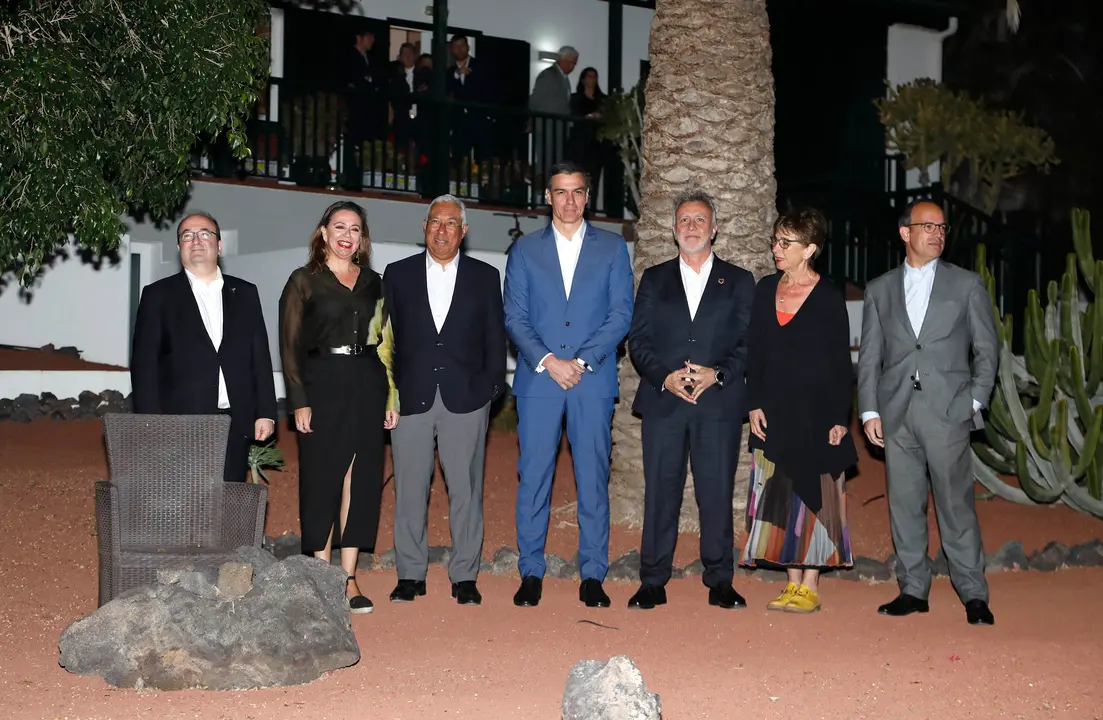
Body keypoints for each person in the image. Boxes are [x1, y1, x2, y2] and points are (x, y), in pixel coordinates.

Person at [857, 199, 998, 626]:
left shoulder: (966, 285)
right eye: (928, 226)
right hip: (896, 413)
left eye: (942, 228)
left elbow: (987, 350)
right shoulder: (880, 289)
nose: (938, 234)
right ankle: (913, 589)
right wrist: (868, 412)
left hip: (948, 413)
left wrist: (973, 401)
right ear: (905, 233)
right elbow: (869, 357)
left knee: (956, 505)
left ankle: (973, 593)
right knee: (904, 505)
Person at [504, 161, 633, 608]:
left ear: (588, 195)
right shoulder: (524, 251)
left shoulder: (613, 249)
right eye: (561, 192)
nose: (570, 200)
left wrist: (580, 360)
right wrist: (547, 360)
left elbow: (621, 315)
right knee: (534, 476)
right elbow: (515, 317)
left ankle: (593, 574)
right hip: (539, 380)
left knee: (592, 478)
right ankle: (531, 571)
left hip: (590, 380)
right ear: (548, 196)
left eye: (577, 191)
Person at [625, 189, 756, 611]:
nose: (692, 226)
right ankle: (652, 580)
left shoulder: (738, 281)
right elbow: (638, 339)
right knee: (661, 492)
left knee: (715, 494)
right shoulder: (654, 277)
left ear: (714, 228)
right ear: (673, 230)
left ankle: (720, 581)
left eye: (700, 220)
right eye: (684, 220)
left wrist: (716, 374)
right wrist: (664, 376)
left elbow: (747, 341)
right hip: (664, 402)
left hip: (716, 404)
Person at [383, 195, 506, 606]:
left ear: (463, 231)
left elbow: (494, 338)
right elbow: (386, 340)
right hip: (411, 398)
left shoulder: (485, 277)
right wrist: (388, 393)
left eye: (451, 223)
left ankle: (465, 575)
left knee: (466, 491)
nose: (442, 230)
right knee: (410, 488)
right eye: (435, 222)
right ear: (424, 226)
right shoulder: (396, 275)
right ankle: (410, 574)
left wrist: (489, 390)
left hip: (466, 400)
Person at [278, 200, 400, 615]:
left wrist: (392, 396)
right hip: (322, 382)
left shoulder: (375, 283)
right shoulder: (303, 281)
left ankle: (348, 578)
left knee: (361, 478)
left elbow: (385, 343)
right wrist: (299, 401)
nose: (347, 236)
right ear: (324, 233)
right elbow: (290, 347)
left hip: (367, 381)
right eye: (339, 227)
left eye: (355, 229)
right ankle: (320, 575)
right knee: (322, 478)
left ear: (362, 238)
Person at [740, 207, 859, 613]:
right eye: (776, 240)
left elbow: (839, 363)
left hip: (815, 414)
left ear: (808, 249)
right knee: (778, 495)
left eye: (785, 243)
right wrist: (752, 401)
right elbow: (752, 353)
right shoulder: (764, 289)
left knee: (815, 494)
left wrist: (838, 418)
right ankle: (791, 581)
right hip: (773, 411)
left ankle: (811, 583)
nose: (776, 248)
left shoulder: (827, 297)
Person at [131, 212, 276, 483]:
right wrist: (151, 424)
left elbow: (260, 355)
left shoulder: (245, 293)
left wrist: (266, 412)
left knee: (227, 499)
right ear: (179, 247)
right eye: (187, 235)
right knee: (183, 503)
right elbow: (144, 366)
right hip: (179, 422)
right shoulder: (157, 295)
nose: (196, 240)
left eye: (204, 233)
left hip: (235, 421)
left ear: (219, 245)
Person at [529, 47, 578, 194]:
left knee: (554, 160)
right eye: (571, 62)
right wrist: (533, 119)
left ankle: (549, 190)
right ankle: (542, 191)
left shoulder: (563, 78)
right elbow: (535, 100)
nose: (573, 66)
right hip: (547, 126)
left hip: (557, 127)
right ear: (562, 60)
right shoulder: (548, 75)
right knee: (546, 159)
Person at [568, 67, 608, 201]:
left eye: (594, 76)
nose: (593, 79)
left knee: (594, 176)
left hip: (596, 144)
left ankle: (592, 203)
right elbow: (573, 117)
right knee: (578, 175)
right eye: (590, 76)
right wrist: (588, 116)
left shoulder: (603, 100)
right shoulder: (575, 99)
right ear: (583, 79)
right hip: (580, 142)